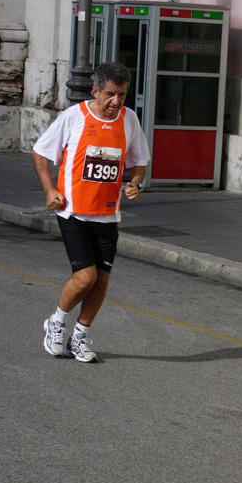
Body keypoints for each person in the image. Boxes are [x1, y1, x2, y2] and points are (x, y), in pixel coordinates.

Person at [32, 62, 150, 363]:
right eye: (110, 94)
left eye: (122, 95)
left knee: (102, 281)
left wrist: (136, 184)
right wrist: (50, 191)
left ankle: (80, 336)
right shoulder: (74, 117)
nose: (116, 102)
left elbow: (138, 162)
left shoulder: (129, 120)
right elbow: (41, 151)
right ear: (95, 91)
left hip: (108, 214)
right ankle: (56, 322)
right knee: (85, 278)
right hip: (73, 212)